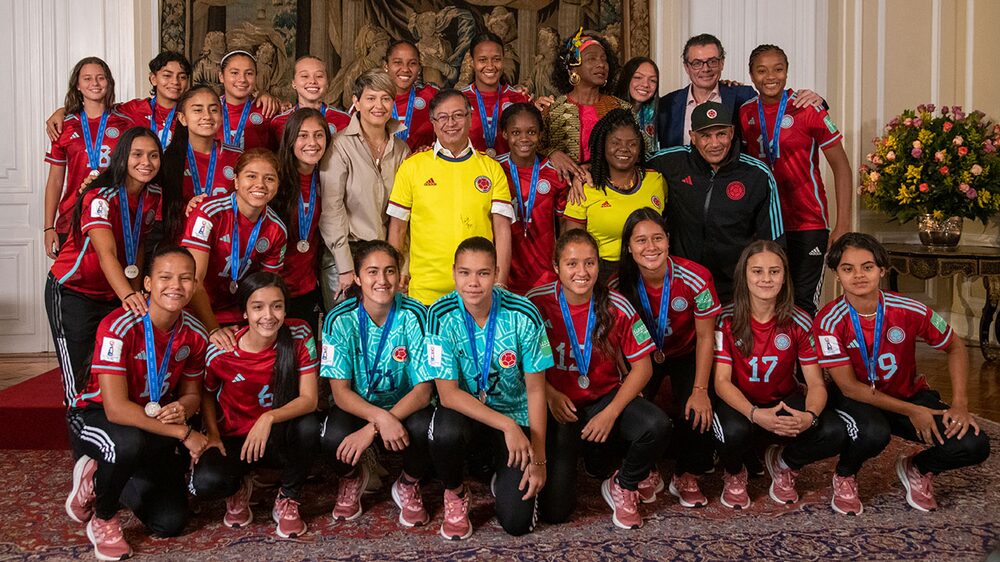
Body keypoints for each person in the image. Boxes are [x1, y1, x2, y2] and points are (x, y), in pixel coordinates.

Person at [814, 233, 990, 515]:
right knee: (873, 433)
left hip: (906, 393)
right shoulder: (828, 320)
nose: (858, 275)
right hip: (857, 400)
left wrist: (960, 404)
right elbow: (848, 387)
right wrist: (912, 411)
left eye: (867, 267)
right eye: (848, 269)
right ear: (836, 275)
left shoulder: (909, 309)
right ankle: (845, 474)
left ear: (882, 269)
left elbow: (955, 346)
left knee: (974, 443)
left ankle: (918, 468)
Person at [63, 246, 209, 561]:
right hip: (96, 414)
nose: (176, 286)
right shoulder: (119, 326)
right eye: (165, 277)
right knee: (126, 442)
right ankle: (103, 517)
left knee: (169, 522)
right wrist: (183, 433)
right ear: (146, 283)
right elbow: (115, 408)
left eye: (186, 279)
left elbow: (193, 394)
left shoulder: (195, 333)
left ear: (195, 286)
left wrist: (183, 408)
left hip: (150, 421)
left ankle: (105, 473)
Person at [528, 229, 669, 530]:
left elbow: (642, 369)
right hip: (558, 405)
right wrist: (550, 394)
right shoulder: (536, 303)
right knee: (556, 511)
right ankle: (586, 459)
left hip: (602, 399)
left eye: (590, 263)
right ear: (556, 267)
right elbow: (522, 366)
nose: (582, 272)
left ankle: (624, 483)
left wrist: (611, 413)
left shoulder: (617, 305)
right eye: (572, 264)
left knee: (656, 424)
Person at [424, 237, 552, 539]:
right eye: (465, 273)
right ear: (454, 272)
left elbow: (536, 390)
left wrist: (539, 458)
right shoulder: (439, 316)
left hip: (515, 416)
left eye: (483, 273)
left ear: (496, 274)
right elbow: (447, 394)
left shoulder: (524, 313)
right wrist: (505, 425)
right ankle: (455, 493)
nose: (473, 283)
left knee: (516, 524)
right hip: (468, 415)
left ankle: (498, 475)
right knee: (443, 432)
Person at [713, 241, 847, 509]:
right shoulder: (725, 319)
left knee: (835, 431)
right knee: (731, 432)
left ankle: (786, 464)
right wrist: (754, 414)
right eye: (757, 271)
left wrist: (809, 417)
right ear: (744, 275)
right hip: (740, 404)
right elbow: (721, 382)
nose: (766, 279)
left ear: (785, 277)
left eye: (774, 272)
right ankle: (735, 472)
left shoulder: (799, 321)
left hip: (784, 399)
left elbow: (816, 384)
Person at [190, 272, 320, 539]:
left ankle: (288, 497)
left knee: (309, 427)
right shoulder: (222, 351)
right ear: (245, 313)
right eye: (258, 307)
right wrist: (213, 435)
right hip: (236, 437)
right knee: (206, 484)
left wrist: (268, 417)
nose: (268, 315)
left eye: (277, 305)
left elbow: (309, 400)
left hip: (277, 434)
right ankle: (237, 487)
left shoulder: (299, 333)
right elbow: (206, 395)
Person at [319, 241, 435, 526]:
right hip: (358, 407)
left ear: (399, 275)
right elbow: (340, 393)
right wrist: (378, 420)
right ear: (357, 278)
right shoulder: (338, 319)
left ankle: (408, 484)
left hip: (405, 408)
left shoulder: (416, 314)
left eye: (389, 271)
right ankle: (352, 477)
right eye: (372, 272)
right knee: (328, 435)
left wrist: (375, 426)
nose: (381, 280)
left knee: (429, 426)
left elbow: (423, 392)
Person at [47, 127, 164, 406]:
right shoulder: (99, 195)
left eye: (153, 155)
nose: (146, 162)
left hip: (113, 293)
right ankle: (80, 438)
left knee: (108, 368)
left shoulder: (153, 194)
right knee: (79, 375)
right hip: (74, 291)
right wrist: (128, 296)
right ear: (122, 156)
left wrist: (138, 293)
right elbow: (106, 253)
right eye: (137, 154)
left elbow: (137, 246)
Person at [612, 208, 720, 508]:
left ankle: (688, 473)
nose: (650, 247)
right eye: (641, 240)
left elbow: (706, 337)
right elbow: (616, 343)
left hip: (686, 351)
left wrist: (699, 390)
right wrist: (626, 377)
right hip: (642, 358)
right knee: (630, 403)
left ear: (668, 241)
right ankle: (645, 468)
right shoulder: (618, 284)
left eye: (657, 238)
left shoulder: (696, 278)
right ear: (629, 247)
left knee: (698, 407)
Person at [739, 44, 853, 315]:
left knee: (802, 302)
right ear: (751, 75)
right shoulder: (745, 113)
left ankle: (806, 359)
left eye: (778, 69)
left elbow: (842, 167)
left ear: (787, 72)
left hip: (807, 221)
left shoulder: (807, 108)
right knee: (768, 300)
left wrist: (843, 223)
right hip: (765, 222)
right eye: (762, 70)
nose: (770, 77)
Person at [387, 88, 514, 305]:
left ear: (470, 117)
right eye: (443, 117)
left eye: (457, 115)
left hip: (478, 292)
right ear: (433, 123)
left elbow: (502, 230)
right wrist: (396, 275)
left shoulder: (491, 169)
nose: (451, 123)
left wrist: (499, 284)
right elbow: (398, 229)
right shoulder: (412, 167)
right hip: (425, 293)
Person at [649, 101, 784, 301]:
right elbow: (624, 160)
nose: (715, 143)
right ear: (693, 137)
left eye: (721, 134)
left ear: (731, 132)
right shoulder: (669, 162)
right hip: (682, 284)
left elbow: (774, 243)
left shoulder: (758, 175)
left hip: (735, 289)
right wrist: (587, 171)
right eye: (705, 136)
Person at [320, 69, 410, 308]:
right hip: (348, 252)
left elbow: (404, 215)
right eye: (371, 98)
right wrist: (345, 267)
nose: (378, 105)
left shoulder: (401, 150)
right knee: (347, 329)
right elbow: (332, 208)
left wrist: (401, 265)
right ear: (356, 102)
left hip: (387, 254)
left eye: (385, 98)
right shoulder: (339, 146)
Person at [180, 148, 287, 349]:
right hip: (195, 314)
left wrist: (253, 328)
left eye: (269, 179)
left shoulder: (277, 229)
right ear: (236, 181)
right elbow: (194, 280)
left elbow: (267, 291)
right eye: (251, 176)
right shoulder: (208, 213)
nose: (260, 185)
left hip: (239, 318)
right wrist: (213, 329)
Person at [656, 34, 822, 148]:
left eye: (712, 61)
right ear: (687, 66)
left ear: (722, 63)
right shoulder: (667, 105)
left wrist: (815, 99)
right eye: (697, 63)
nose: (705, 69)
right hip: (680, 193)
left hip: (732, 191)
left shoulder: (742, 96)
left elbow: (775, 107)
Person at [562, 109, 666, 283]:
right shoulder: (586, 186)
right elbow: (572, 243)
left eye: (632, 144)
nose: (624, 149)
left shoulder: (656, 180)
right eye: (615, 143)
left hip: (647, 270)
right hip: (600, 274)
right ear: (603, 145)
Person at [43, 57, 130, 259]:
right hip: (72, 217)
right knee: (72, 279)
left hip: (113, 214)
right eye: (87, 78)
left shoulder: (125, 121)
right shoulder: (63, 126)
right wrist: (48, 227)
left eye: (101, 78)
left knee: (111, 279)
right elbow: (55, 180)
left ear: (109, 82)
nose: (95, 83)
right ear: (78, 85)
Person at [46, 52, 193, 148]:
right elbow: (96, 107)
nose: (175, 82)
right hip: (143, 187)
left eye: (182, 77)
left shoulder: (194, 112)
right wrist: (63, 111)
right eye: (167, 75)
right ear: (153, 79)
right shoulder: (133, 109)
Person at [496, 103, 568, 294]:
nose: (524, 139)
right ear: (504, 134)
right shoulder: (494, 169)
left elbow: (564, 226)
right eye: (516, 132)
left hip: (545, 276)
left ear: (541, 134)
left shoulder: (555, 174)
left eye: (531, 132)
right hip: (504, 275)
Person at [542, 29, 631, 178]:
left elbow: (640, 151)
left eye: (604, 59)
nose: (601, 64)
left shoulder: (622, 109)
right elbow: (532, 147)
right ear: (572, 67)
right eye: (592, 59)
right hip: (563, 193)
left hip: (609, 191)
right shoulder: (552, 110)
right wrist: (552, 153)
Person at [272, 108, 331, 334]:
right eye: (303, 135)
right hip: (276, 284)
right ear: (290, 139)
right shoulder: (274, 179)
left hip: (309, 285)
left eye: (319, 135)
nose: (312, 142)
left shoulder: (329, 177)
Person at [159, 85, 241, 242]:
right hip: (182, 248)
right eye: (198, 110)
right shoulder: (167, 159)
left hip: (228, 248)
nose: (207, 116)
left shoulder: (238, 157)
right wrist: (186, 208)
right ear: (182, 118)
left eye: (214, 110)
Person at [461, 32, 531, 157]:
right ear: (472, 62)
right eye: (482, 60)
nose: (490, 66)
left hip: (509, 174)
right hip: (470, 174)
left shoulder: (519, 98)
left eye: (496, 59)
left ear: (503, 61)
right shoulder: (459, 100)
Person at [270, 55, 353, 139]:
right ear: (293, 83)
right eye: (305, 76)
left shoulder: (344, 120)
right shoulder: (279, 122)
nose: (312, 81)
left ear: (327, 83)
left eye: (319, 76)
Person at [384, 40, 438, 150]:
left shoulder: (431, 95)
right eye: (398, 62)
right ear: (386, 66)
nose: (405, 69)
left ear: (419, 68)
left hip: (422, 165)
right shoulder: (371, 99)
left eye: (412, 63)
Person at [217, 50, 274, 152]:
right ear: (221, 76)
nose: (242, 79)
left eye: (249, 73)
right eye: (234, 73)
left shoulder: (267, 109)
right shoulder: (210, 109)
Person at [615, 56, 660, 156]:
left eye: (652, 80)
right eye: (638, 77)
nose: (645, 84)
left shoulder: (660, 112)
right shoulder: (609, 108)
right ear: (626, 79)